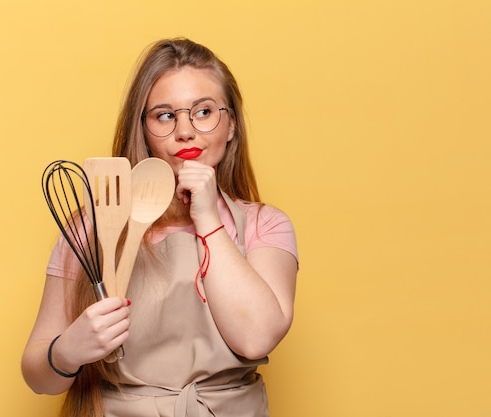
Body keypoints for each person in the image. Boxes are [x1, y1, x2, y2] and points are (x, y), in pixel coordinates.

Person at [21, 38, 299, 417]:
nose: (184, 131)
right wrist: (68, 350)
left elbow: (257, 339)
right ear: (145, 130)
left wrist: (207, 218)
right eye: (165, 115)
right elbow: (38, 377)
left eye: (203, 112)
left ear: (231, 125)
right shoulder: (96, 226)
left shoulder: (265, 225)